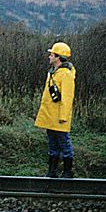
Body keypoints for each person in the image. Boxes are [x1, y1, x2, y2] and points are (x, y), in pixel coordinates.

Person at [35, 41, 76, 178]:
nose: (49, 57)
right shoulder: (53, 72)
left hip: (59, 117)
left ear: (58, 57)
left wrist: (63, 117)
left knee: (64, 144)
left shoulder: (66, 74)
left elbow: (67, 98)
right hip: (50, 116)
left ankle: (67, 172)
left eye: (52, 55)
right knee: (53, 145)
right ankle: (52, 172)